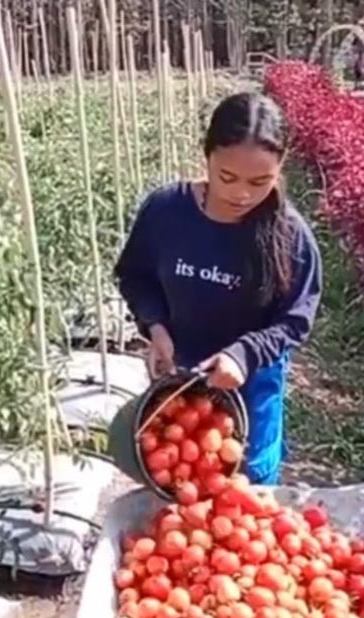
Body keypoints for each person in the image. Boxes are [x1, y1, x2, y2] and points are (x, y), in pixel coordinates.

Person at [114, 92, 322, 485]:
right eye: (227, 176)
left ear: (281, 167)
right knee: (182, 479)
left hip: (254, 377)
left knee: (249, 482)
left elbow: (296, 320)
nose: (241, 193)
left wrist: (244, 355)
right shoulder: (166, 211)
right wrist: (155, 327)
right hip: (181, 375)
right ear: (206, 155)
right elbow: (136, 275)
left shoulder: (291, 236)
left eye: (260, 181)